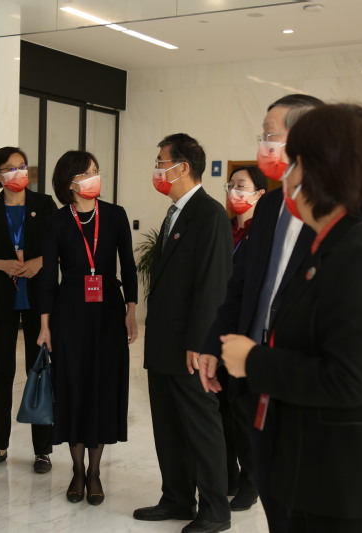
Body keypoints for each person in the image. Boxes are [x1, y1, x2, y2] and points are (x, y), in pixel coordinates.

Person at [216, 103, 362, 532]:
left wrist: (253, 361)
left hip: (355, 493)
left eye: (294, 162)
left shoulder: (358, 253)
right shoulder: (333, 242)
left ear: (323, 169)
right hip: (322, 476)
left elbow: (350, 379)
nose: (286, 175)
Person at [198, 93, 323, 533]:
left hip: (305, 383)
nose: (263, 146)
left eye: (272, 136)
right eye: (263, 136)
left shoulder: (344, 213)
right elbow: (242, 287)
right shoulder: (269, 206)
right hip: (254, 377)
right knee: (276, 498)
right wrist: (214, 343)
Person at [133, 133, 233, 533]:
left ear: (182, 167)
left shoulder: (209, 214)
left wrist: (200, 342)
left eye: (161, 162)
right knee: (168, 425)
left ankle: (215, 510)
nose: (157, 170)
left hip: (190, 345)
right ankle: (176, 497)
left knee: (201, 426)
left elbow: (213, 284)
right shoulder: (175, 213)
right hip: (163, 342)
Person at [36, 150, 137, 506]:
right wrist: (44, 325)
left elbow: (128, 264)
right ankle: (77, 470)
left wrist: (131, 309)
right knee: (73, 387)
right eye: (87, 173)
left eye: (96, 170)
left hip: (108, 311)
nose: (95, 177)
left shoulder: (115, 215)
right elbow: (47, 277)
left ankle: (95, 472)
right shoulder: (57, 221)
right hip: (70, 313)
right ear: (70, 183)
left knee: (102, 388)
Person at [0, 147, 57, 473]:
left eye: (22, 166)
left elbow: (61, 246)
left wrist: (38, 262)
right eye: (10, 168)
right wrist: (2, 265)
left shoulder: (44, 204)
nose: (19, 172)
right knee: (2, 372)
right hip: (1, 301)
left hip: (39, 301)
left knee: (40, 370)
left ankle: (42, 451)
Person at [215, 165, 266, 511]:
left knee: (242, 411)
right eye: (231, 185)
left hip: (246, 333)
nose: (234, 191)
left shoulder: (263, 234)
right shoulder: (223, 229)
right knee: (220, 408)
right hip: (217, 328)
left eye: (242, 186)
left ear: (259, 194)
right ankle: (229, 475)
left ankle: (251, 481)